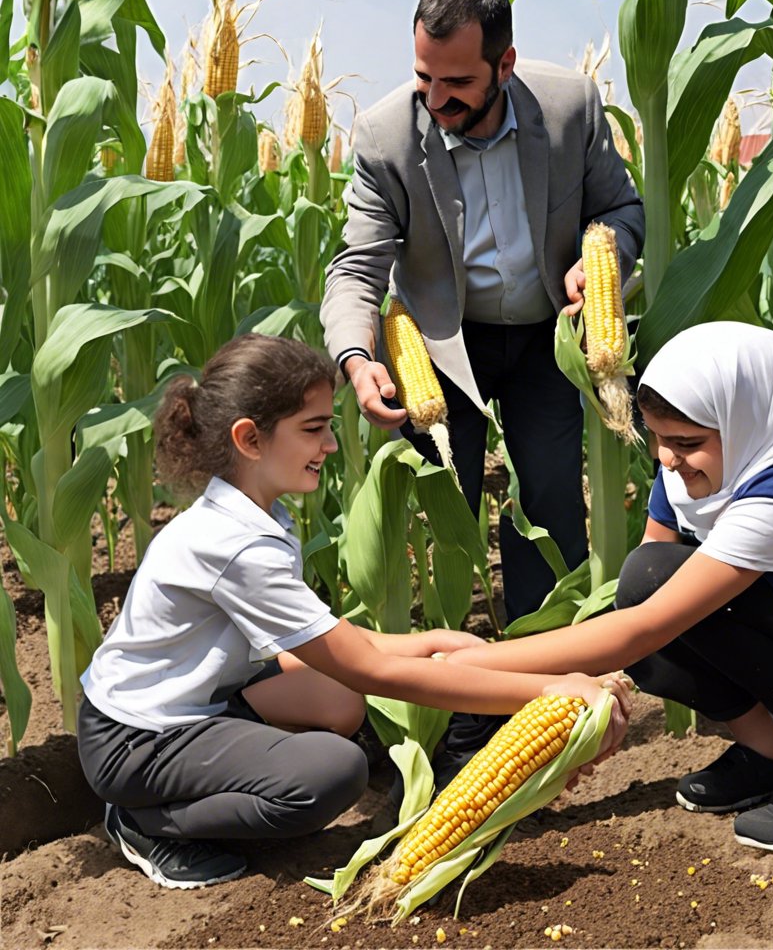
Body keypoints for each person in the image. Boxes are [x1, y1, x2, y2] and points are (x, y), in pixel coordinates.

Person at [76, 334, 631, 890]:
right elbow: (369, 669)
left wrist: (431, 639)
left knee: (339, 703)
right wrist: (546, 691)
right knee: (332, 773)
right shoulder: (235, 547)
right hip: (137, 739)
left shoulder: (250, 517)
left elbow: (334, 642)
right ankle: (147, 822)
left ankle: (196, 780)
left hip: (195, 700)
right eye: (313, 429)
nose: (332, 445)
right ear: (249, 439)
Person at [441, 321, 773, 851]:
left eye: (686, 442)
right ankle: (765, 750)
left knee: (661, 599)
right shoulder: (690, 466)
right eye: (658, 439)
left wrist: (484, 663)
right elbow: (646, 577)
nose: (666, 458)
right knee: (644, 583)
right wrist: (591, 689)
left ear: (743, 419)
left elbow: (644, 624)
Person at [319, 0, 644, 779]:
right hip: (441, 342)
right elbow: (358, 267)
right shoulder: (388, 134)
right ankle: (460, 703)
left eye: (457, 82)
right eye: (425, 76)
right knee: (450, 513)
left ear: (505, 65)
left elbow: (623, 212)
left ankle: (537, 690)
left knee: (548, 504)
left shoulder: (570, 107)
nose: (436, 97)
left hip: (543, 337)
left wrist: (600, 257)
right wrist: (357, 359)